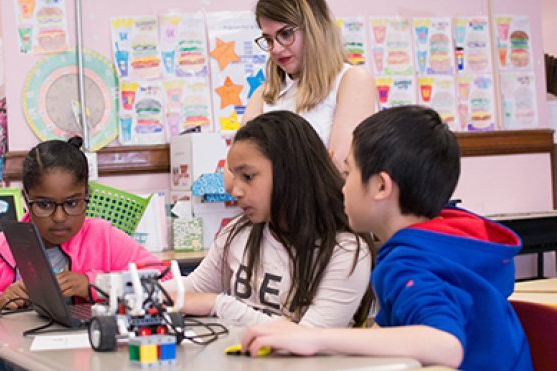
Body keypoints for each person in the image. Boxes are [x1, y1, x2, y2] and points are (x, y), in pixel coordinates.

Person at [241, 106, 533, 370]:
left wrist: (315, 338)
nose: (342, 187)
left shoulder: (408, 261)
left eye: (348, 172)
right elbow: (390, 333)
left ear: (381, 186)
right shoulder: (445, 242)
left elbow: (446, 345)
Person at [0, 137, 163, 371]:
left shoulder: (103, 238)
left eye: (72, 203)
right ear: (26, 199)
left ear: (86, 194)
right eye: (45, 205)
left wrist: (95, 284)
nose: (59, 217)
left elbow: (164, 282)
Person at [163, 110, 373, 329]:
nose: (235, 191)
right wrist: (139, 294)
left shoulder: (345, 251)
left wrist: (219, 305)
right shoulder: (239, 232)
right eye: (235, 176)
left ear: (290, 172)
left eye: (248, 177)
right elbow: (195, 287)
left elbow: (309, 338)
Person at [244, 0, 376, 171]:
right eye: (268, 39)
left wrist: (263, 171)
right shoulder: (264, 94)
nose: (275, 49)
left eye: (285, 34)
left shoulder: (351, 80)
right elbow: (234, 175)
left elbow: (340, 170)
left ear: (315, 29)